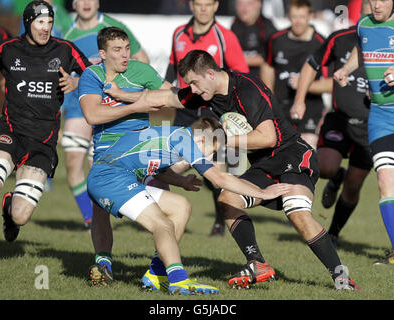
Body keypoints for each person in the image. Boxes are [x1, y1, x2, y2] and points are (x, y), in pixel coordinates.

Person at [118, 49, 360, 290]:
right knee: (227, 198)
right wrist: (119, 96)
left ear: (210, 74)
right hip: (263, 164)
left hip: (293, 154)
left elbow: (268, 137)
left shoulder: (246, 88)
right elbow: (166, 98)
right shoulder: (204, 92)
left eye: (194, 82)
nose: (191, 89)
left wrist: (219, 140)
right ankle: (258, 262)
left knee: (296, 211)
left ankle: (340, 276)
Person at [85, 116, 292, 294]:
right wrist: (262, 193)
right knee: (162, 225)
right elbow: (219, 178)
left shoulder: (173, 136)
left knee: (181, 206)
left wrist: (182, 182)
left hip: (115, 176)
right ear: (201, 139)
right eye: (211, 151)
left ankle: (157, 275)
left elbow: (159, 168)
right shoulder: (183, 139)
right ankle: (178, 281)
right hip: (109, 178)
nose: (209, 157)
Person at [77, 26, 176, 286]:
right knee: (99, 205)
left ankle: (159, 266)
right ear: (102, 53)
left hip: (139, 149)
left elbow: (172, 96)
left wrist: (131, 99)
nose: (124, 55)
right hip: (106, 150)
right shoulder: (92, 75)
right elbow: (93, 116)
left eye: (127, 48)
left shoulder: (140, 70)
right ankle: (104, 263)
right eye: (117, 50)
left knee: (170, 205)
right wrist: (139, 104)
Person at [0, 0, 90, 242]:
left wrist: (77, 82)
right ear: (28, 23)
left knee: (20, 216)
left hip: (43, 145)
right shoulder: (8, 48)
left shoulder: (65, 50)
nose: (45, 28)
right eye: (40, 22)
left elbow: (94, 74)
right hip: (10, 133)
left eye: (49, 22)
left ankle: (9, 208)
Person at [60, 0, 150, 229]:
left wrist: (126, 88)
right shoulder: (65, 31)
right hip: (76, 106)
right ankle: (90, 219)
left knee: (98, 168)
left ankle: (106, 216)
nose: (86, 3)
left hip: (110, 107)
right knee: (72, 165)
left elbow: (143, 59)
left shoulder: (113, 27)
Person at [290, 0, 373, 246]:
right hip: (338, 119)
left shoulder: (388, 43)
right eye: (369, 4)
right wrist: (300, 99)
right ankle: (336, 175)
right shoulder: (340, 38)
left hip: (370, 125)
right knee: (324, 167)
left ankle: (334, 232)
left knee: (353, 186)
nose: (374, 8)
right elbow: (310, 65)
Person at [166, 0, 249, 237]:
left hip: (213, 110)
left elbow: (240, 74)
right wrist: (163, 90)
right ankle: (160, 214)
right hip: (185, 109)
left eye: (208, 4)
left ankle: (220, 220)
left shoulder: (226, 37)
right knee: (170, 163)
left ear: (216, 6)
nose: (203, 9)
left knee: (215, 169)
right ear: (191, 5)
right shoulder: (178, 34)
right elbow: (173, 68)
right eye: (198, 4)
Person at [333, 0, 394, 265]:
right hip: (380, 116)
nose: (377, 4)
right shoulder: (363, 25)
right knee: (384, 181)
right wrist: (346, 69)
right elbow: (361, 48)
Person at [262, 0, 332, 149]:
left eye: (302, 17)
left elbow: (331, 83)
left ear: (310, 16)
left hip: (310, 108)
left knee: (306, 151)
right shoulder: (276, 40)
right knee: (278, 153)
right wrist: (269, 98)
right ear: (288, 17)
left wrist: (305, 84)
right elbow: (267, 67)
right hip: (280, 107)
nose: (298, 22)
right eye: (294, 17)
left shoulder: (321, 44)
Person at [231, 0, 277, 78]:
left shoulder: (266, 26)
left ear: (259, 4)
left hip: (260, 76)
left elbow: (268, 58)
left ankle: (267, 91)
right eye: (240, 4)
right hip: (240, 74)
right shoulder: (235, 25)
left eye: (249, 4)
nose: (244, 9)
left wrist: (240, 60)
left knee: (267, 68)